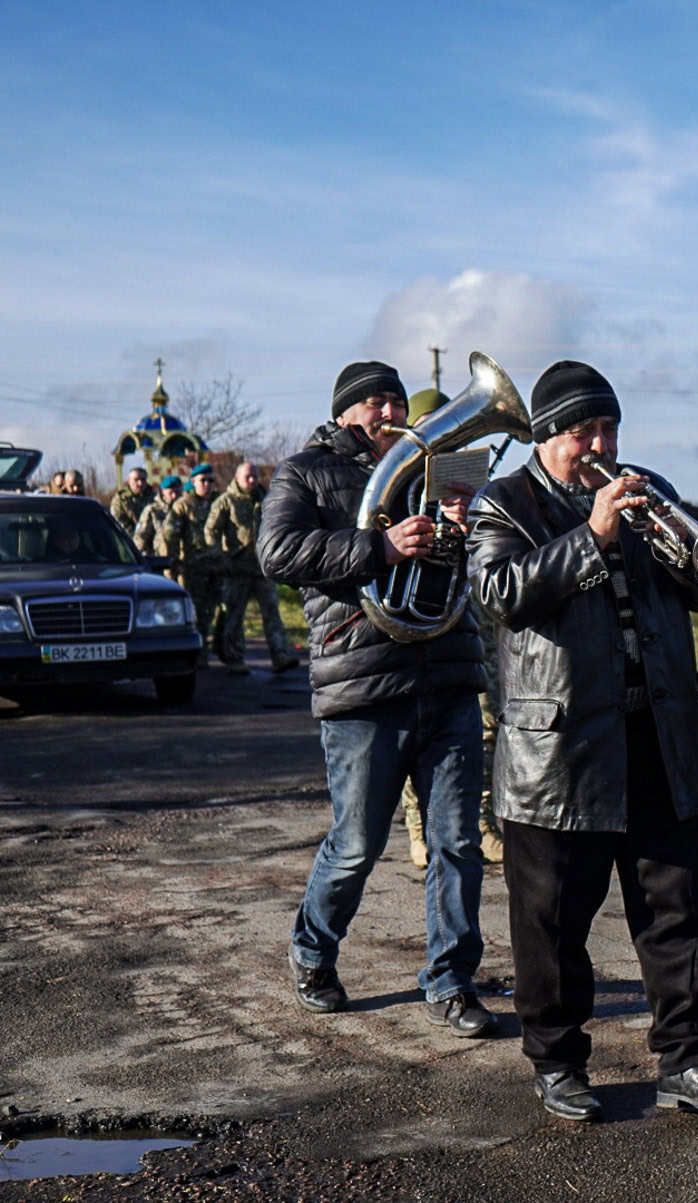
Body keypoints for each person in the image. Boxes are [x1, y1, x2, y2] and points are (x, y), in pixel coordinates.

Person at [466, 360, 698, 1121]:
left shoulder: (640, 484)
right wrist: (591, 537)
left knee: (680, 905)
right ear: (546, 435)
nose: (598, 444)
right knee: (553, 920)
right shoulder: (504, 502)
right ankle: (558, 1063)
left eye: (608, 427)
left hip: (655, 731)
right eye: (582, 431)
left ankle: (690, 1059)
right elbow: (498, 593)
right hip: (558, 751)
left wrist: (687, 549)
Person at [257, 360, 493, 1037]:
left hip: (446, 673)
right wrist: (378, 545)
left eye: (396, 399)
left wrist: (459, 521)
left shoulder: (437, 466)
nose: (391, 411)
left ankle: (451, 981)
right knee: (357, 844)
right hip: (363, 685)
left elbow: (465, 558)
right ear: (345, 412)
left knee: (457, 843)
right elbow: (276, 552)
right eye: (376, 402)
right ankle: (312, 950)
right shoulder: (303, 471)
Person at [397, 385, 505, 870]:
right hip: (420, 612)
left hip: (475, 613)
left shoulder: (466, 473)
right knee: (416, 726)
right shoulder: (395, 478)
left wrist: (471, 515)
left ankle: (481, 825)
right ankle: (419, 831)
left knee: (487, 721)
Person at [206, 460, 300, 674]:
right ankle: (234, 658)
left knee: (271, 612)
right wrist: (221, 557)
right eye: (248, 476)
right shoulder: (225, 502)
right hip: (236, 569)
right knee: (234, 615)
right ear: (237, 478)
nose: (252, 480)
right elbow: (211, 531)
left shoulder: (265, 500)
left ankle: (280, 655)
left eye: (255, 476)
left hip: (262, 568)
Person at [162, 464, 224, 665]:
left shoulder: (219, 502)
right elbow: (170, 534)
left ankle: (220, 647)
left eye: (210, 480)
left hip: (219, 566)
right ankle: (200, 654)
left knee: (220, 609)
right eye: (202, 481)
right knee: (198, 611)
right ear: (193, 482)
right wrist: (172, 563)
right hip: (194, 568)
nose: (207, 485)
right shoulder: (184, 504)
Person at [134, 476, 183, 564]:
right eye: (171, 493)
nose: (174, 496)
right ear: (163, 492)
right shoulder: (153, 510)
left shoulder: (185, 509)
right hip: (160, 559)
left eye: (177, 492)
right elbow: (140, 536)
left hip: (184, 560)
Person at [110, 467, 153, 533]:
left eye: (143, 480)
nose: (140, 483)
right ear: (129, 481)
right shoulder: (121, 499)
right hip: (130, 539)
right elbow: (118, 522)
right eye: (136, 480)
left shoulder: (154, 497)